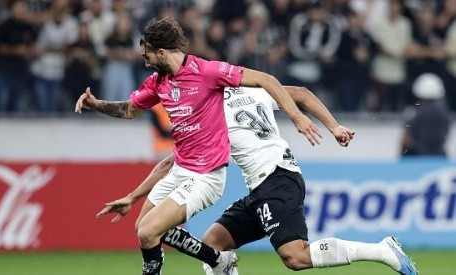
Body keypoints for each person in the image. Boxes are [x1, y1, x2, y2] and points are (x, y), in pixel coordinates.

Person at [75, 17, 320, 275]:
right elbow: (129, 109)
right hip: (180, 169)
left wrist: (297, 117)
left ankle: (212, 261)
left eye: (146, 55)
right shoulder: (157, 83)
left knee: (150, 230)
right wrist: (97, 105)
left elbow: (267, 80)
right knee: (144, 231)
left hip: (205, 175)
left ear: (160, 52)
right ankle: (217, 259)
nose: (144, 60)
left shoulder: (207, 72)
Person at [96, 86, 418, 275]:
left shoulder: (209, 114)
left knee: (295, 256)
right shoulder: (253, 91)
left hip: (275, 180)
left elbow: (173, 161)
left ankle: (381, 250)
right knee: (212, 244)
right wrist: (334, 126)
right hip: (268, 183)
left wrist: (134, 196)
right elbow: (303, 94)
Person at [401, 72, 450, 157]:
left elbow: (406, 139)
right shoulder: (444, 112)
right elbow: (446, 134)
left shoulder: (414, 111)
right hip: (439, 156)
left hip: (417, 157)